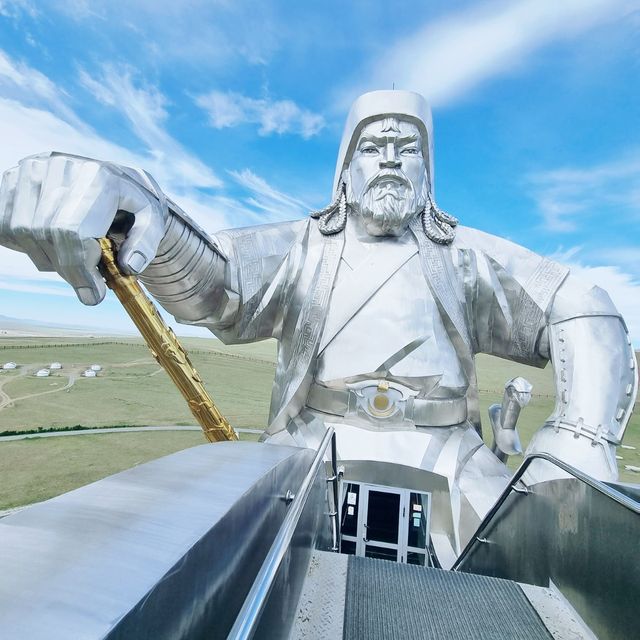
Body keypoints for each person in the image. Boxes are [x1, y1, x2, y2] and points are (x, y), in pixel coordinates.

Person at [0, 90, 636, 544]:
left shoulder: (465, 257)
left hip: (452, 452)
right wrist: (139, 212)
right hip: (312, 442)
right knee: (234, 553)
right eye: (375, 145)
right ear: (346, 166)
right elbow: (215, 286)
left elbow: (581, 303)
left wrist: (581, 437)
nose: (389, 158)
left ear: (428, 167)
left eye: (406, 147)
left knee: (528, 549)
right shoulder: (303, 247)